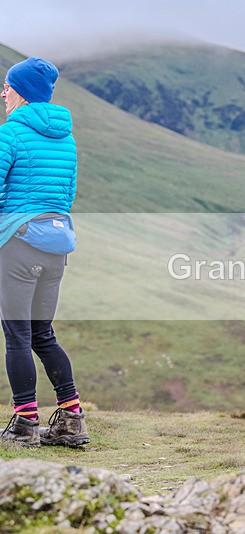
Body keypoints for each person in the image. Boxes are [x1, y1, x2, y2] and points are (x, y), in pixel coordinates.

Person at [0, 57, 88, 448]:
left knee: (17, 335)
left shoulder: (10, 135)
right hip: (55, 246)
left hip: (17, 246)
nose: (3, 92)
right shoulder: (66, 138)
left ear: (21, 92)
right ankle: (72, 419)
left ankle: (25, 423)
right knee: (42, 334)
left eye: (7, 86)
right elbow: (66, 196)